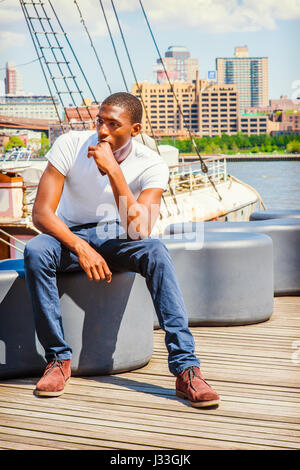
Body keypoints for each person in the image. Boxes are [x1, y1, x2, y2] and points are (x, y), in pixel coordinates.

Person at [24, 92, 219, 408]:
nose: (102, 131)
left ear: (135, 130)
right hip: (69, 236)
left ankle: (186, 369)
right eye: (100, 120)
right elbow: (42, 213)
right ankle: (58, 359)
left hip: (117, 237)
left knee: (155, 251)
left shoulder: (151, 164)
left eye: (113, 124)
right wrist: (80, 246)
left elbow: (138, 231)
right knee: (35, 252)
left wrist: (114, 171)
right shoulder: (70, 145)